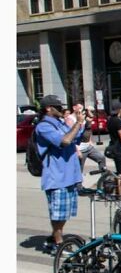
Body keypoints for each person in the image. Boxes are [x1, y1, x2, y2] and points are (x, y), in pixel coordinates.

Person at [35, 94, 84, 255]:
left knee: (64, 212)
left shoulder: (59, 123)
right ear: (49, 108)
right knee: (57, 213)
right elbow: (64, 141)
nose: (62, 109)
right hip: (57, 177)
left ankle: (53, 238)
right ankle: (58, 244)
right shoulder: (44, 126)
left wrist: (82, 122)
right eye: (58, 107)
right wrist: (77, 123)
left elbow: (75, 137)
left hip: (69, 176)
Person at [78, 105, 107, 173]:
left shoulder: (87, 119)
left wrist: (90, 141)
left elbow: (88, 132)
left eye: (92, 111)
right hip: (80, 148)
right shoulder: (75, 119)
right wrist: (76, 150)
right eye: (90, 111)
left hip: (88, 146)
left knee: (101, 158)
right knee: (79, 168)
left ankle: (104, 178)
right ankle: (78, 183)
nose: (91, 113)